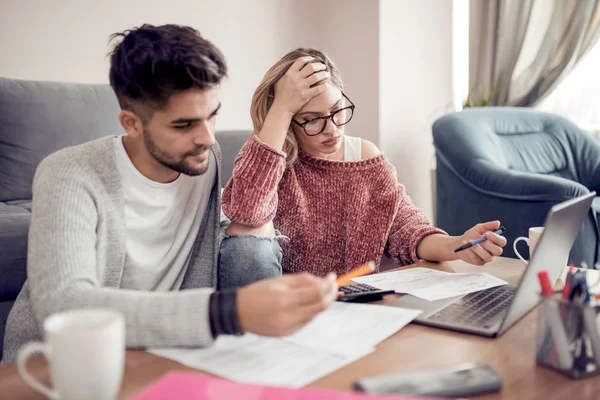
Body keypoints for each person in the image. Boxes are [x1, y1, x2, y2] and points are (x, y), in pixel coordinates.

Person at [2, 26, 338, 363]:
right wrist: (227, 311)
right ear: (131, 123)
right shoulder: (68, 173)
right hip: (59, 368)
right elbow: (65, 304)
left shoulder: (207, 161)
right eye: (184, 124)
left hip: (167, 357)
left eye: (212, 115)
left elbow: (244, 217)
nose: (206, 137)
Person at [220, 48, 507, 287]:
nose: (332, 129)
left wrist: (459, 246)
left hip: (351, 306)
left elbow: (405, 228)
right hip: (277, 308)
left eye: (337, 111)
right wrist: (280, 107)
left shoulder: (364, 157)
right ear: (287, 120)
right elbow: (246, 216)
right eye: (312, 119)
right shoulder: (265, 159)